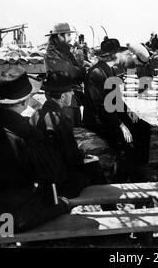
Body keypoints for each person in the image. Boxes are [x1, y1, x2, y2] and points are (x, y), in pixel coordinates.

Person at [0, 67, 71, 234]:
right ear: (25, 101)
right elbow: (51, 175)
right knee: (62, 204)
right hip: (12, 217)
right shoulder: (27, 133)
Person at [30, 71, 108, 199]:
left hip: (44, 177)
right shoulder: (61, 119)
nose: (72, 94)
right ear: (62, 96)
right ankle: (110, 208)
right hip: (61, 181)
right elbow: (71, 156)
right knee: (95, 167)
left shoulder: (35, 116)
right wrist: (85, 157)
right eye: (70, 91)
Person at [83, 37, 151, 183]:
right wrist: (120, 124)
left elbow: (116, 100)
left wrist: (130, 113)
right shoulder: (97, 73)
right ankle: (119, 182)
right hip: (97, 119)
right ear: (114, 55)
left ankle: (139, 170)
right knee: (126, 146)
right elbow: (101, 106)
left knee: (144, 128)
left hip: (110, 113)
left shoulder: (109, 69)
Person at [44, 23, 86, 126]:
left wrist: (79, 69)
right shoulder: (51, 54)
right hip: (62, 102)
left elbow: (77, 69)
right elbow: (69, 71)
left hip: (73, 99)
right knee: (67, 130)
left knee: (77, 130)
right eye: (68, 35)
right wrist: (80, 69)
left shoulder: (65, 52)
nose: (70, 39)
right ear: (59, 36)